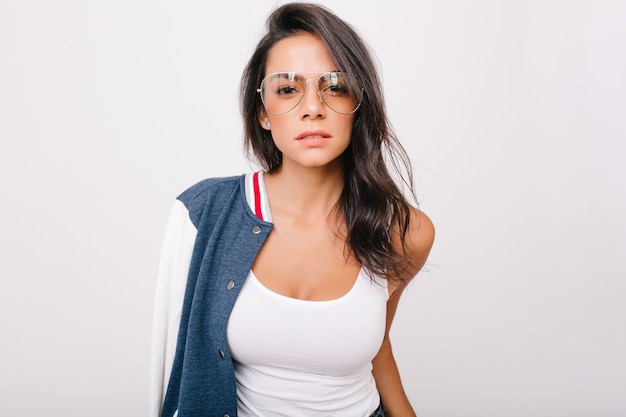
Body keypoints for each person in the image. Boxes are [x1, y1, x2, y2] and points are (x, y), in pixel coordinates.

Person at [151, 3, 434, 417]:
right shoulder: (203, 213)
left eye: (335, 86)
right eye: (287, 88)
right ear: (263, 112)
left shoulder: (405, 230)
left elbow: (378, 347)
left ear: (360, 104)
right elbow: (170, 371)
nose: (313, 106)